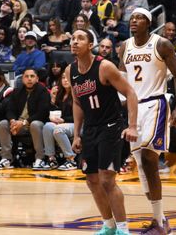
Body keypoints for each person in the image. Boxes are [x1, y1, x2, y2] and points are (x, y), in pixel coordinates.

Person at [118, 8, 176, 235]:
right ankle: (160, 219)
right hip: (133, 109)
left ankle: (161, 223)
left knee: (148, 158)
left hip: (156, 104)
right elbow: (122, 78)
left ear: (149, 23)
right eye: (132, 18)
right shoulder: (124, 47)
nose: (133, 21)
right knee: (142, 166)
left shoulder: (161, 44)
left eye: (139, 18)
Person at [69, 29, 138, 235]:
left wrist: (132, 126)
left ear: (91, 45)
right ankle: (108, 225)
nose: (74, 41)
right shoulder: (70, 71)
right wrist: (76, 134)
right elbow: (77, 102)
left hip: (110, 127)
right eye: (72, 38)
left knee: (107, 179)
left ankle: (124, 229)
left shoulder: (105, 67)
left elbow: (130, 93)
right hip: (90, 129)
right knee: (91, 180)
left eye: (80, 38)